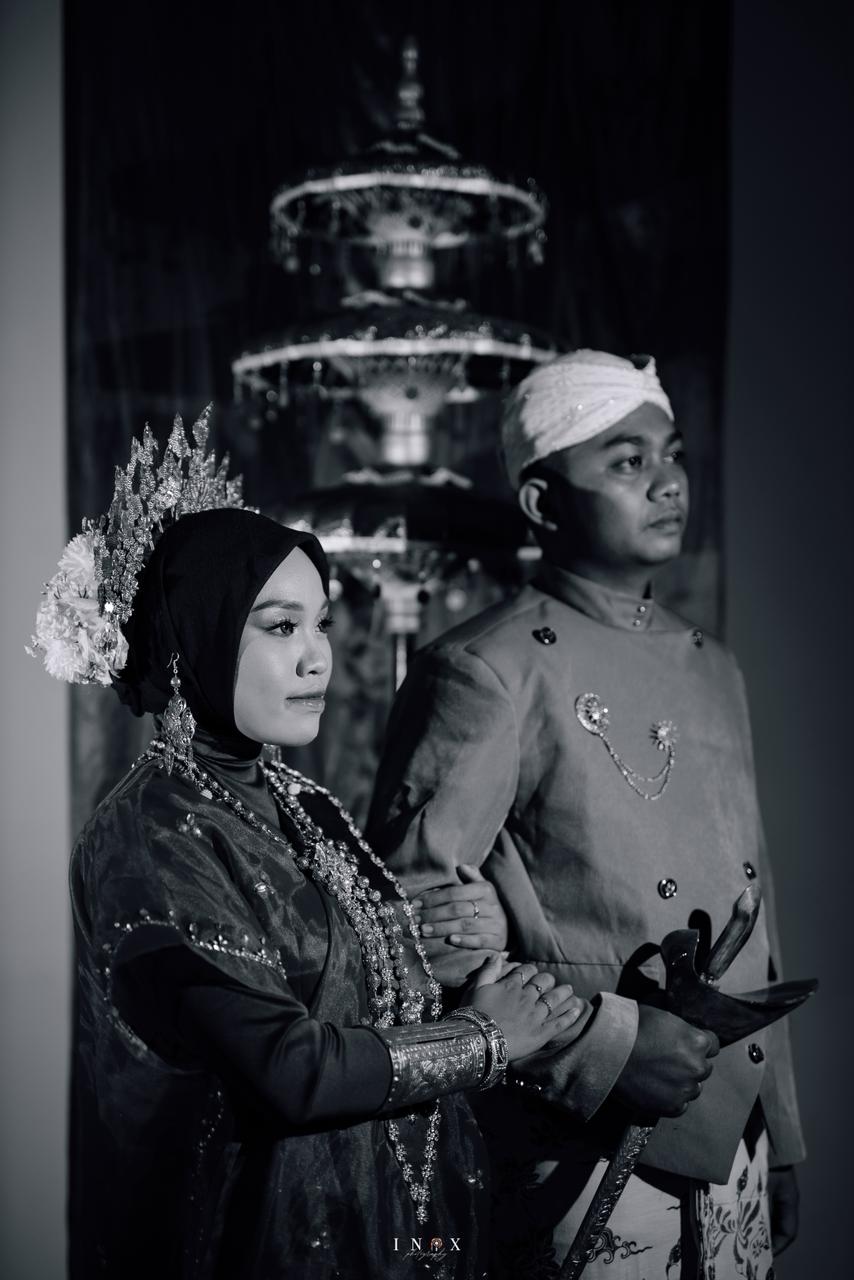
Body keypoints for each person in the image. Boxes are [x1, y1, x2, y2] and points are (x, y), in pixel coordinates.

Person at [31, 417, 586, 1279]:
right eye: (280, 627)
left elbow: (347, 983)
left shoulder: (304, 804)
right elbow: (285, 1071)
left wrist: (436, 942)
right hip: (254, 1240)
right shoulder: (148, 833)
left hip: (384, 1226)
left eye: (322, 623)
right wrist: (483, 1038)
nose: (319, 657)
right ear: (195, 639)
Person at [367, 351, 805, 1278]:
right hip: (586, 1150)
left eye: (671, 453)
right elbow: (407, 933)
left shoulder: (714, 664)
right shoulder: (484, 669)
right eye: (627, 461)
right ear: (542, 502)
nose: (668, 481)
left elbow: (754, 914)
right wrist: (608, 1048)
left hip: (738, 1140)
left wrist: (781, 1134)